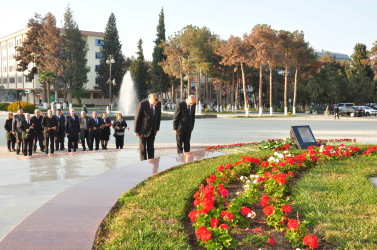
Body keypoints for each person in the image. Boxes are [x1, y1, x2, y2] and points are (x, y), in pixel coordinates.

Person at [134, 93, 161, 160]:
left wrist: (157, 128)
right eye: (154, 102)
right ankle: (144, 163)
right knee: (142, 149)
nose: (155, 104)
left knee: (151, 148)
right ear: (150, 98)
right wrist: (136, 130)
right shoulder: (142, 104)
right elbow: (137, 118)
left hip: (153, 129)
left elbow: (158, 116)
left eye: (156, 102)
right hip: (143, 129)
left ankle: (151, 161)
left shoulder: (158, 104)